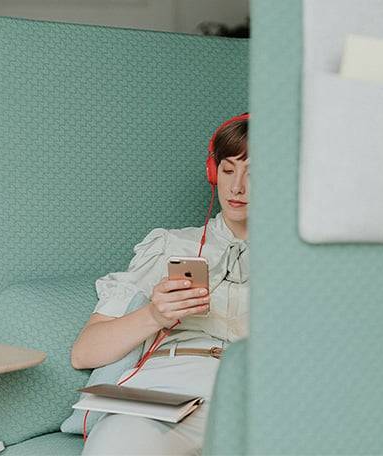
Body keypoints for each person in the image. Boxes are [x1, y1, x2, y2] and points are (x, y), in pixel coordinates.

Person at [71, 113, 250, 455]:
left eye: (254, 173)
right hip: (172, 391)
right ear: (213, 173)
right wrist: (155, 315)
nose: (237, 187)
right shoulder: (169, 245)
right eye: (228, 170)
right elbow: (85, 353)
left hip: (265, 394)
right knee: (116, 447)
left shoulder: (304, 263)